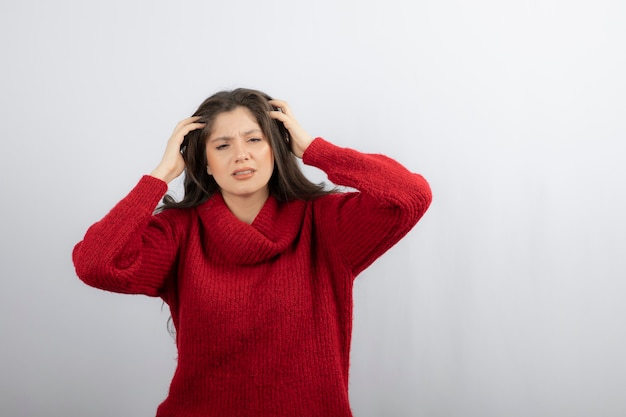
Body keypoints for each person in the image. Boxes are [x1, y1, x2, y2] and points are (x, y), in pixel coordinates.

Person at [72, 88, 432, 416]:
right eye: (222, 145)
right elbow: (96, 264)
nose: (241, 155)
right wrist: (161, 174)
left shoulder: (325, 225)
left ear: (277, 147)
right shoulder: (179, 233)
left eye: (254, 139)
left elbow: (410, 196)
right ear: (205, 163)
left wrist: (313, 150)